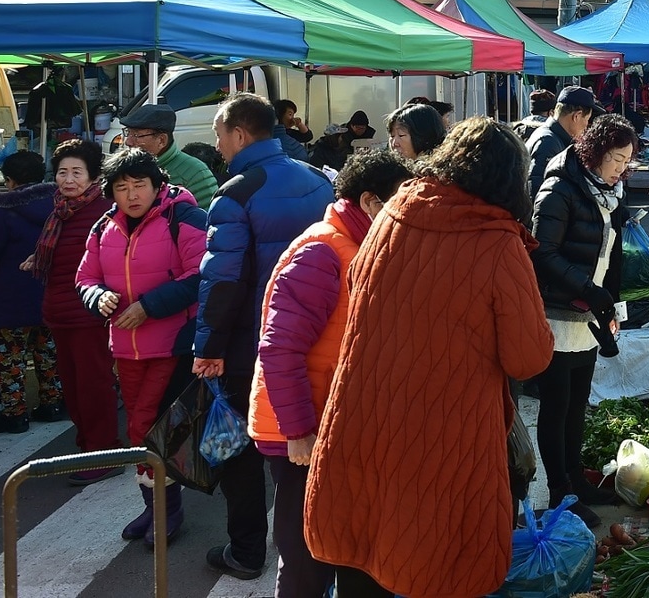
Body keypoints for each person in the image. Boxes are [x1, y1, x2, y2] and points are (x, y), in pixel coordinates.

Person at [304, 119, 554, 598]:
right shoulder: (499, 242)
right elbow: (528, 359)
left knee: (364, 541)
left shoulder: (395, 210)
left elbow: (359, 286)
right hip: (443, 429)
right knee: (436, 561)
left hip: (363, 413)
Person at [249, 150, 413, 597]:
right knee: (306, 558)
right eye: (401, 201)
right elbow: (279, 350)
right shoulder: (323, 252)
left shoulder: (366, 246)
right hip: (307, 433)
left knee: (355, 548)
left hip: (342, 429)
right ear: (369, 202)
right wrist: (299, 431)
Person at [194, 93, 335, 582]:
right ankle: (319, 553)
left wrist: (208, 347)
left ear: (238, 133)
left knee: (241, 451)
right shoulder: (320, 178)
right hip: (317, 339)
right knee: (305, 452)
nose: (219, 146)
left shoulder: (235, 192)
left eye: (219, 135)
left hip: (251, 343)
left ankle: (247, 551)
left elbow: (223, 280)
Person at [76, 148, 206, 546]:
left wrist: (148, 306)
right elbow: (85, 278)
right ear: (110, 192)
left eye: (140, 185)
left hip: (172, 345)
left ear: (157, 185)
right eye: (122, 187)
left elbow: (202, 273)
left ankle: (168, 512)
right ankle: (156, 509)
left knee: (149, 427)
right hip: (125, 348)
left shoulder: (184, 216)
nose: (132, 195)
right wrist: (98, 298)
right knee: (140, 429)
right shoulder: (104, 227)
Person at [530, 115, 636, 529]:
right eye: (616, 159)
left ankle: (576, 482)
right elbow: (541, 251)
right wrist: (588, 290)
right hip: (557, 314)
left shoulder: (608, 192)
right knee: (555, 409)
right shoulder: (559, 189)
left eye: (626, 161)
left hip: (587, 316)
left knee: (577, 408)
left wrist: (610, 302)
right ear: (594, 153)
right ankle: (559, 492)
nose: (621, 169)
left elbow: (611, 255)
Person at [22, 140, 119, 483]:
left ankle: (104, 452)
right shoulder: (60, 211)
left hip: (89, 315)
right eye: (62, 171)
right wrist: (38, 259)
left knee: (94, 386)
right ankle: (87, 447)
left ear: (93, 176)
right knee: (74, 388)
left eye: (77, 172)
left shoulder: (105, 210)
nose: (68, 179)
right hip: (59, 313)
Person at [0, 150, 64, 433]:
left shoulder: (6, 209)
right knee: (48, 352)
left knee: (11, 356)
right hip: (50, 291)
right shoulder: (60, 203)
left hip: (13, 296)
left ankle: (14, 414)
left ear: (9, 180)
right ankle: (52, 403)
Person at [119, 104, 222, 207]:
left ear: (161, 140)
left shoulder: (195, 173)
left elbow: (209, 219)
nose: (128, 142)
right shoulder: (128, 168)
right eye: (128, 133)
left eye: (136, 135)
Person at [525, 86, 601, 200]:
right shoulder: (548, 142)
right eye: (587, 119)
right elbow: (535, 190)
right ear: (577, 116)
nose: (587, 126)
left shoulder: (553, 137)